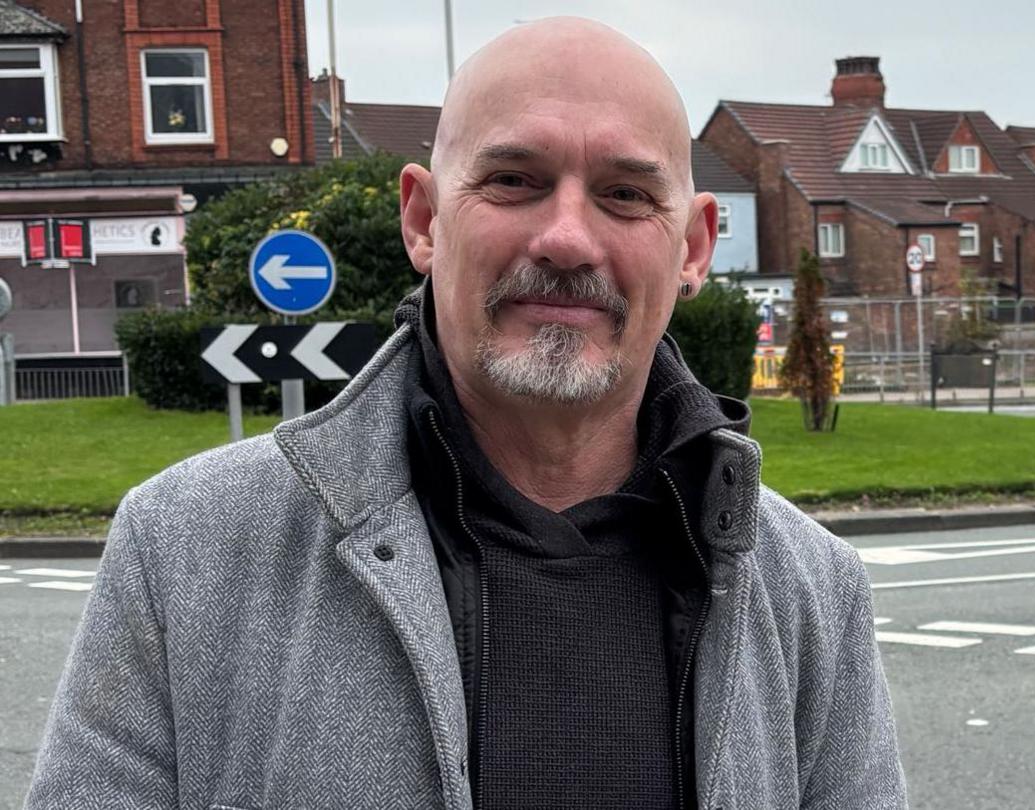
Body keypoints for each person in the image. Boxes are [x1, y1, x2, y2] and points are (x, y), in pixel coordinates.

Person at [26, 17, 906, 810]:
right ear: (424, 220)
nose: (567, 239)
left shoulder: (813, 591)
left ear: (695, 247)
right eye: (515, 180)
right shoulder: (182, 550)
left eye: (626, 194)